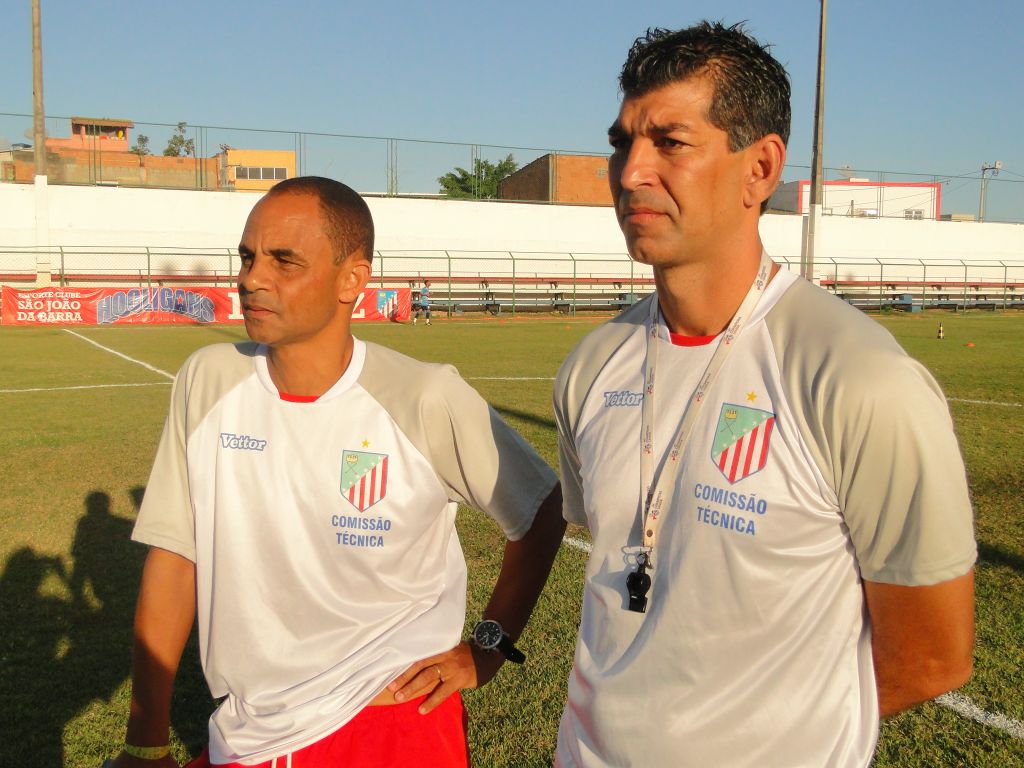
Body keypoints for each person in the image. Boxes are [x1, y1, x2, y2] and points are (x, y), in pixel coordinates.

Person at [552, 22, 975, 768]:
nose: (629, 173)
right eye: (623, 142)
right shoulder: (593, 366)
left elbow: (932, 657)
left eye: (670, 143)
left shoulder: (855, 377)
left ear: (761, 167)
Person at [109, 176, 564, 767]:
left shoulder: (423, 396)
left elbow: (540, 508)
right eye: (247, 257)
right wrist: (145, 741)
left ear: (352, 278)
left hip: (389, 726)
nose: (251, 278)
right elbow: (176, 556)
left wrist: (491, 646)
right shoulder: (208, 380)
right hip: (248, 731)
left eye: (283, 260)